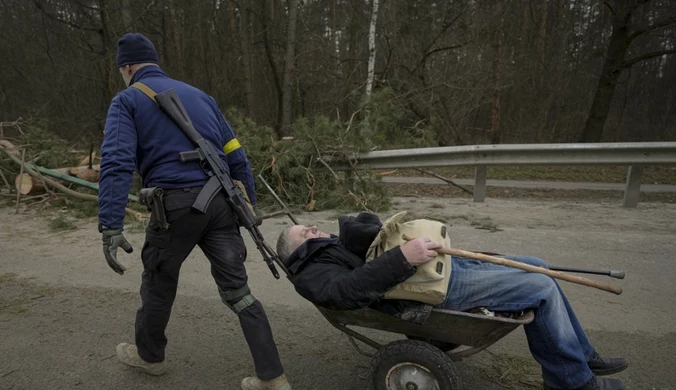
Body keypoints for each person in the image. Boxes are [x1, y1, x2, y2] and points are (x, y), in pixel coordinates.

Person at [98, 32, 291, 390]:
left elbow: (116, 161)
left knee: (158, 281)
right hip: (220, 202)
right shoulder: (202, 97)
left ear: (126, 68)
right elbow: (235, 151)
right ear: (155, 61)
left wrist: (110, 224)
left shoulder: (126, 101)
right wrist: (246, 198)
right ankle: (273, 376)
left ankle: (149, 358)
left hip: (174, 207)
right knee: (239, 291)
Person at [275, 212, 627, 390]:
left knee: (539, 267)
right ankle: (573, 383)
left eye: (309, 227)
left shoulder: (326, 251)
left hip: (429, 272)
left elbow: (365, 253)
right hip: (424, 290)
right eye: (305, 233)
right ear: (298, 251)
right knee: (543, 287)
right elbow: (346, 291)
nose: (313, 228)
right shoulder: (311, 273)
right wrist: (403, 257)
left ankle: (581, 357)